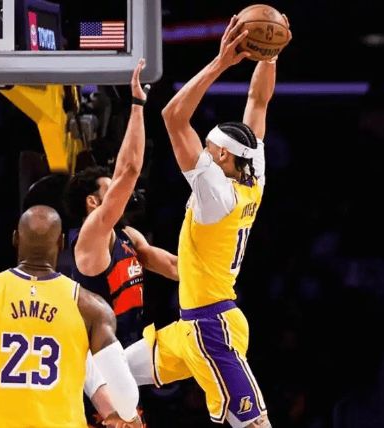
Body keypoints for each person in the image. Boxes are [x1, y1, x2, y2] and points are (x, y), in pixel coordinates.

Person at [124, 14, 290, 428]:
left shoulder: (215, 194)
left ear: (222, 157)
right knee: (107, 374)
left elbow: (173, 117)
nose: (203, 149)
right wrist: (269, 56)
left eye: (209, 146)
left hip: (211, 330)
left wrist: (220, 62)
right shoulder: (253, 172)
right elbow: (258, 101)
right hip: (194, 325)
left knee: (255, 425)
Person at [0, 205, 141, 428]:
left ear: (16, 239)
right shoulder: (90, 307)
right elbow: (121, 385)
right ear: (62, 243)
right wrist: (129, 415)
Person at [64, 59, 178, 348]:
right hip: (97, 352)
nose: (120, 192)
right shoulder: (91, 235)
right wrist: (137, 105)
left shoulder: (128, 236)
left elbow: (174, 267)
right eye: (109, 188)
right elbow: (128, 171)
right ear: (93, 201)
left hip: (129, 344)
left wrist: (218, 274)